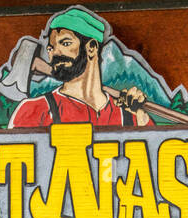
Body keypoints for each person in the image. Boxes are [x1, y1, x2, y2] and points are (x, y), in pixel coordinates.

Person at [8, 7, 151, 128]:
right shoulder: (34, 112)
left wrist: (141, 118)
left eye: (65, 44)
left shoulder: (128, 115)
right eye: (51, 48)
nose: (54, 54)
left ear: (92, 48)